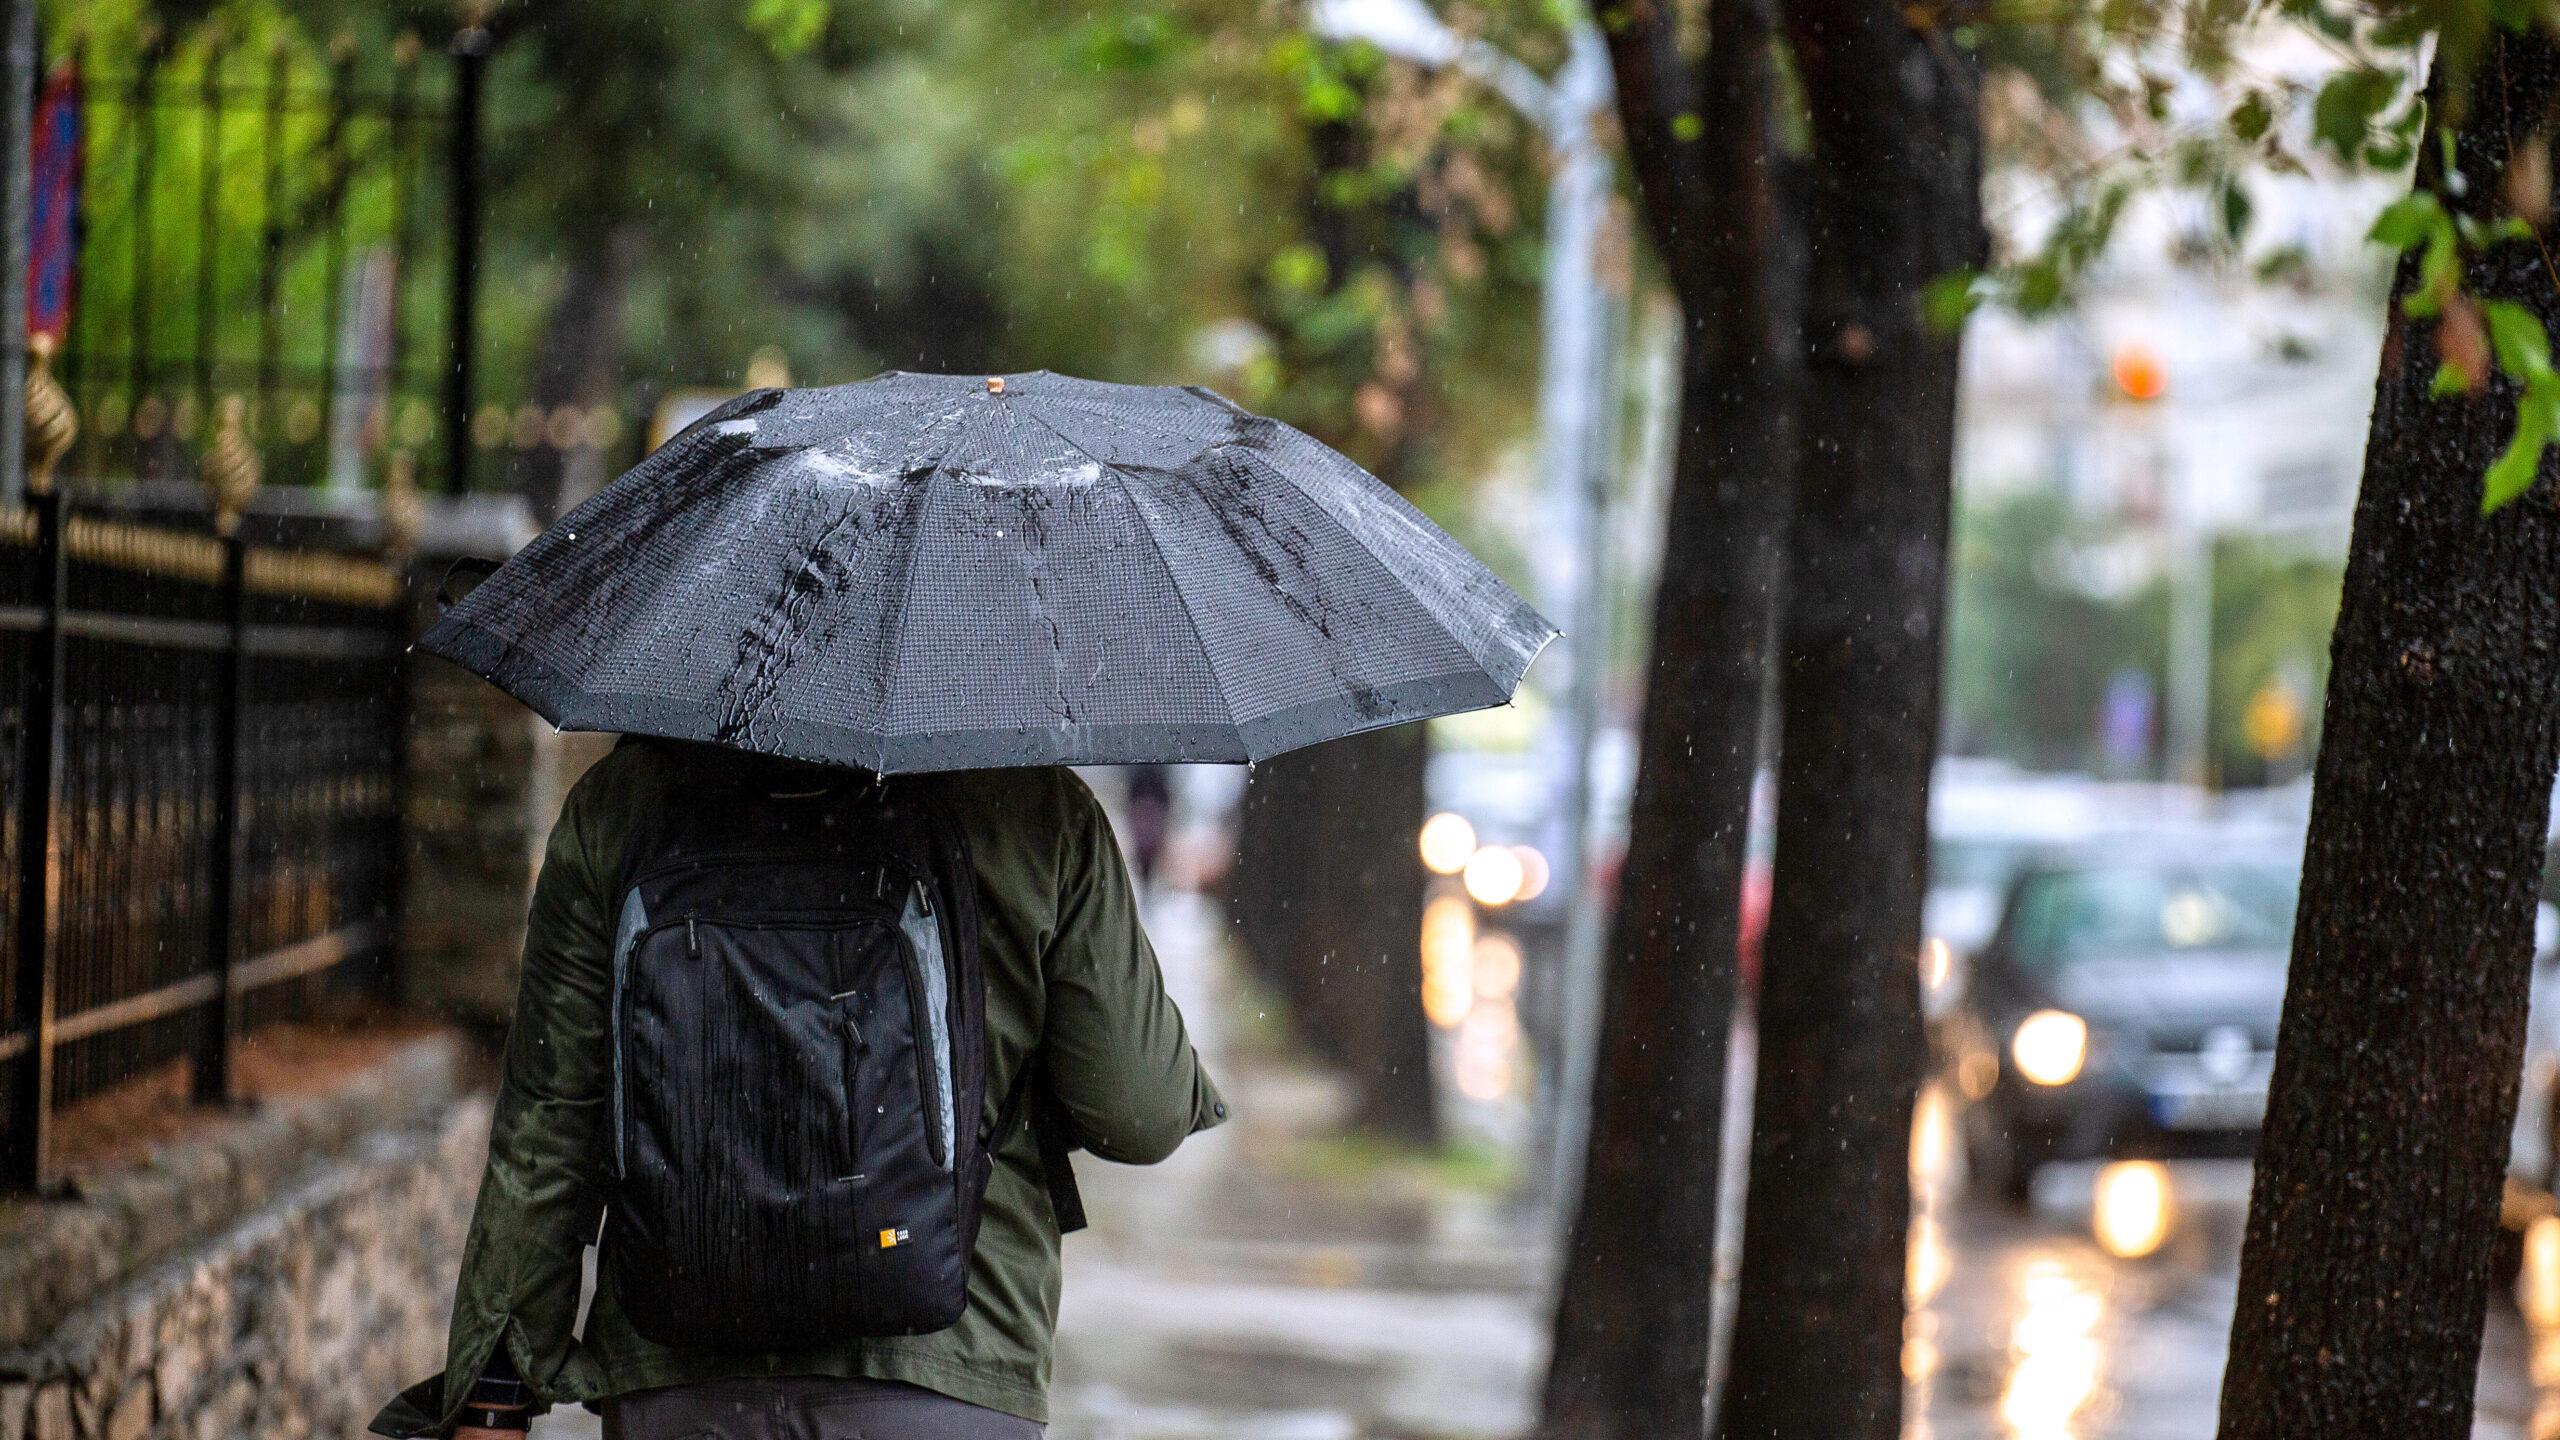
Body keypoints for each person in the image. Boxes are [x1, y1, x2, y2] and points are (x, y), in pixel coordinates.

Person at [371, 738, 1227, 1440]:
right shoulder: (1031, 804)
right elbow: (1138, 1115)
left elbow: (551, 1121)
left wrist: (495, 1392)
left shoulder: (627, 799)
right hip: (952, 1369)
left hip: (682, 1373)